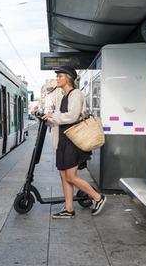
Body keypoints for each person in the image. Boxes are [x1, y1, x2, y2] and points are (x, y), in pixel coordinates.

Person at [43, 66, 106, 218]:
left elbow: (71, 117)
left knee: (71, 176)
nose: (57, 79)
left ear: (69, 78)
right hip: (63, 141)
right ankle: (69, 209)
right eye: (57, 76)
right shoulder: (64, 96)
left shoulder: (75, 94)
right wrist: (48, 120)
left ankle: (98, 197)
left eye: (60, 76)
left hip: (73, 141)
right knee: (64, 176)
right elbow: (60, 118)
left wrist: (53, 116)